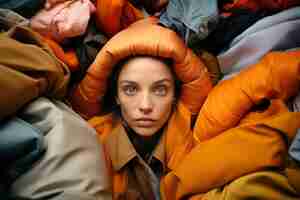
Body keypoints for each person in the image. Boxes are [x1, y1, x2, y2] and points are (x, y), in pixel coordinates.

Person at [70, 18, 300, 199]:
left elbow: (267, 74)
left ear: (175, 95)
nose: (145, 106)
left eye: (160, 90)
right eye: (131, 90)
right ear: (117, 96)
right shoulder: (90, 143)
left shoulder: (204, 126)